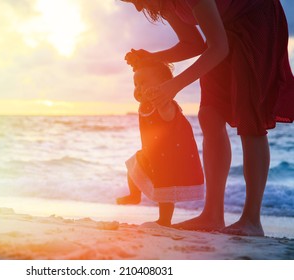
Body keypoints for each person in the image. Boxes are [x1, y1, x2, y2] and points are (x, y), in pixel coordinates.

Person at [120, 0, 294, 236]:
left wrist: (174, 85)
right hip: (222, 31)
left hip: (256, 17)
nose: (138, 8)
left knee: (250, 118)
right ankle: (213, 214)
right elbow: (193, 44)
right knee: (209, 114)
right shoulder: (165, 5)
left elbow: (217, 47)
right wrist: (152, 58)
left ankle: (252, 220)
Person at [116, 59, 204, 227]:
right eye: (136, 84)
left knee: (166, 189)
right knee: (133, 165)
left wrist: (162, 102)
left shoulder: (165, 104)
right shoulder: (146, 105)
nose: (138, 88)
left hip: (170, 157)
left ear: (164, 86)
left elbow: (168, 116)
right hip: (153, 154)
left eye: (143, 83)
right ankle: (134, 195)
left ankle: (164, 220)